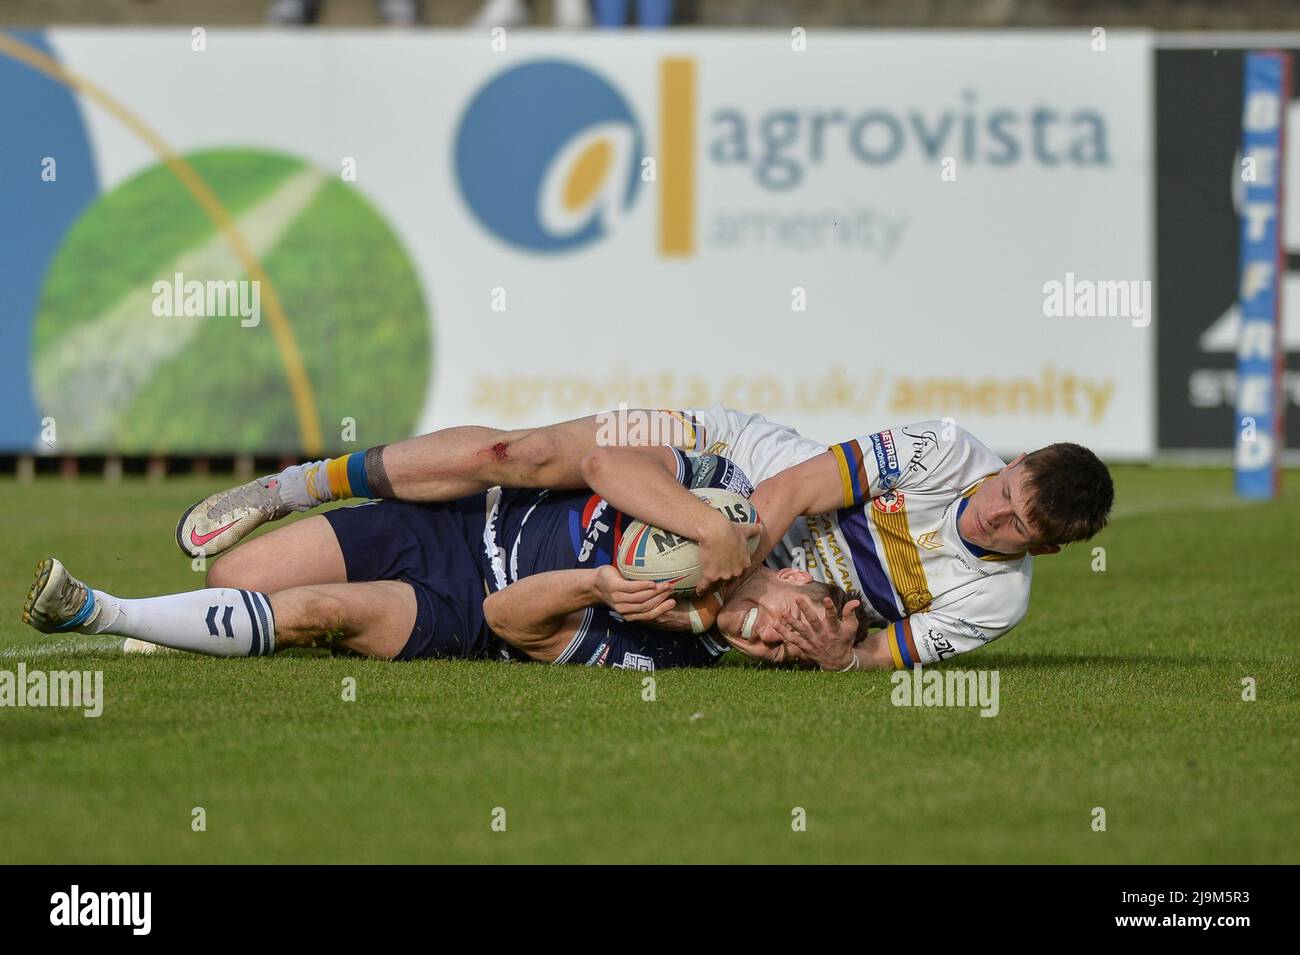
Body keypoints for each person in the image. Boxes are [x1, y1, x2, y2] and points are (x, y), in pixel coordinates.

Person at [175, 405, 1114, 670]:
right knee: (525, 450)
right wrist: (717, 528)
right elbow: (791, 488)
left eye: (1016, 525)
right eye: (1006, 489)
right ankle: (296, 483)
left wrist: (837, 654)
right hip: (732, 468)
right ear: (1011, 462)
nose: (991, 512)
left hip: (734, 583)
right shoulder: (947, 449)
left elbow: (875, 654)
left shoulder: (993, 600)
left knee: (237, 582)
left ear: (1046, 547)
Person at [25, 447, 866, 671]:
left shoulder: (671, 650)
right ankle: (294, 487)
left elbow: (510, 621)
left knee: (325, 611)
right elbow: (614, 463)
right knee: (230, 577)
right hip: (461, 520)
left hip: (465, 613)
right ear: (792, 572)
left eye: (777, 652)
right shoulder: (723, 492)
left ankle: (101, 610)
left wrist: (597, 585)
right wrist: (700, 531)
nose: (765, 638)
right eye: (782, 621)